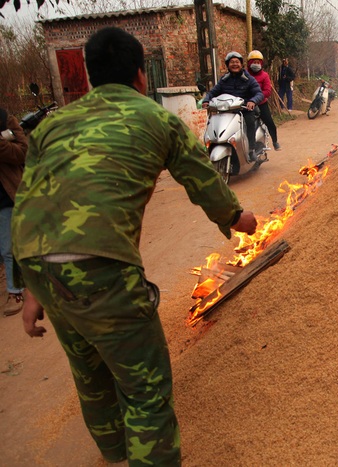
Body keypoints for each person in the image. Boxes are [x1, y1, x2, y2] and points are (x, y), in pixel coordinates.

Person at [12, 27, 257, 466]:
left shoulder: (52, 125)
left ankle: (113, 452)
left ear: (88, 76)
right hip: (102, 268)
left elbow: (31, 202)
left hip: (40, 267)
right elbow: (203, 180)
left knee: (89, 373)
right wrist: (238, 219)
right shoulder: (157, 118)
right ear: (141, 76)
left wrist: (31, 288)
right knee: (145, 390)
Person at [201, 51, 264, 165]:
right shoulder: (224, 80)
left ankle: (251, 150)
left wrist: (252, 101)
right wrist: (206, 100)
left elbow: (259, 93)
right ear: (227, 65)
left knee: (249, 122)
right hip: (227, 110)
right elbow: (213, 92)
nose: (234, 64)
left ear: (241, 64)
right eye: (232, 62)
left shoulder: (248, 79)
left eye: (237, 62)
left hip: (244, 109)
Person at [0, 107, 27, 316]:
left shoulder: (5, 119)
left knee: (9, 248)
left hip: (6, 196)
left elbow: (21, 152)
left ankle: (15, 292)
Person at [247, 50, 281, 151]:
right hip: (246, 104)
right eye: (254, 62)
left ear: (261, 63)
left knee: (270, 122)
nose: (256, 64)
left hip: (261, 103)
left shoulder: (264, 76)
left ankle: (275, 141)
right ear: (249, 63)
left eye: (258, 62)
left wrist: (256, 99)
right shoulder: (245, 74)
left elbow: (267, 91)